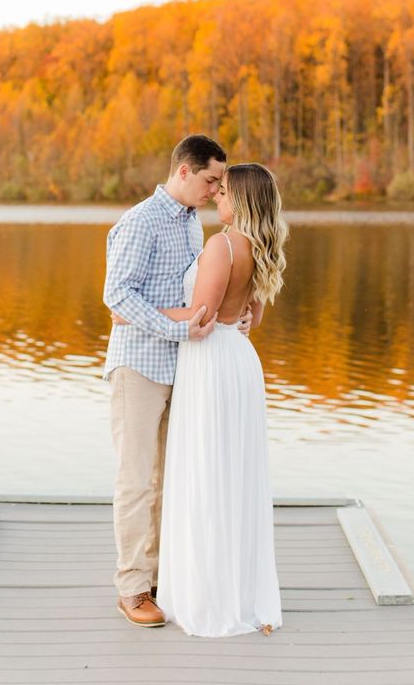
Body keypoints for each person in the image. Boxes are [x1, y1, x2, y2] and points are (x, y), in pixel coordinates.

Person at [103, 135, 254, 628]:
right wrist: (178, 327)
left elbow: (199, 294)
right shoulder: (140, 222)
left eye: (220, 183)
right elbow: (117, 298)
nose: (216, 190)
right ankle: (132, 587)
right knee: (136, 481)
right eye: (211, 179)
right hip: (140, 367)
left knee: (170, 479)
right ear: (185, 172)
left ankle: (163, 577)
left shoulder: (193, 225)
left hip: (185, 367)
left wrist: (231, 321)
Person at [154, 162, 288, 637]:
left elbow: (201, 316)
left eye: (225, 191)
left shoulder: (223, 245)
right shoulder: (260, 247)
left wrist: (136, 312)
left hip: (210, 361)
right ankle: (235, 589)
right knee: (232, 474)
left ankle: (206, 597)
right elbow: (249, 316)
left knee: (206, 472)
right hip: (239, 361)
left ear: (243, 201)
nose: (216, 197)